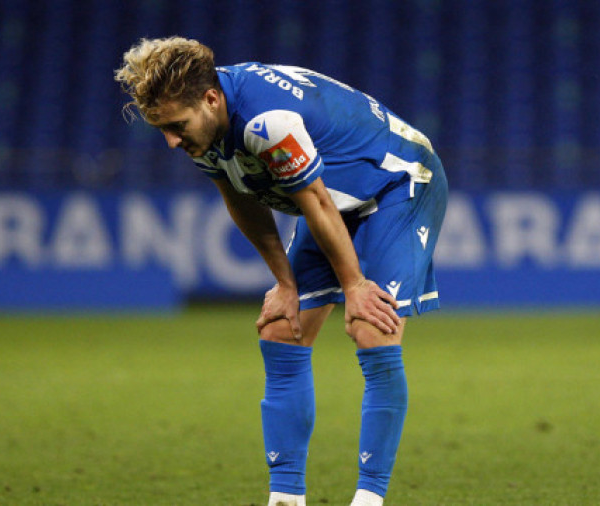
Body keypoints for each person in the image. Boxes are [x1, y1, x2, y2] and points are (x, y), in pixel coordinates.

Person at [115, 37, 447, 506]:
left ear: (211, 100)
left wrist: (354, 287)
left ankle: (369, 499)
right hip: (333, 200)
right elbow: (239, 197)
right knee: (278, 329)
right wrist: (284, 285)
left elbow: (311, 200)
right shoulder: (206, 126)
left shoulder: (267, 122)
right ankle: (285, 497)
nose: (171, 141)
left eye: (175, 126)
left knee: (372, 325)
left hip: (398, 181)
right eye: (162, 130)